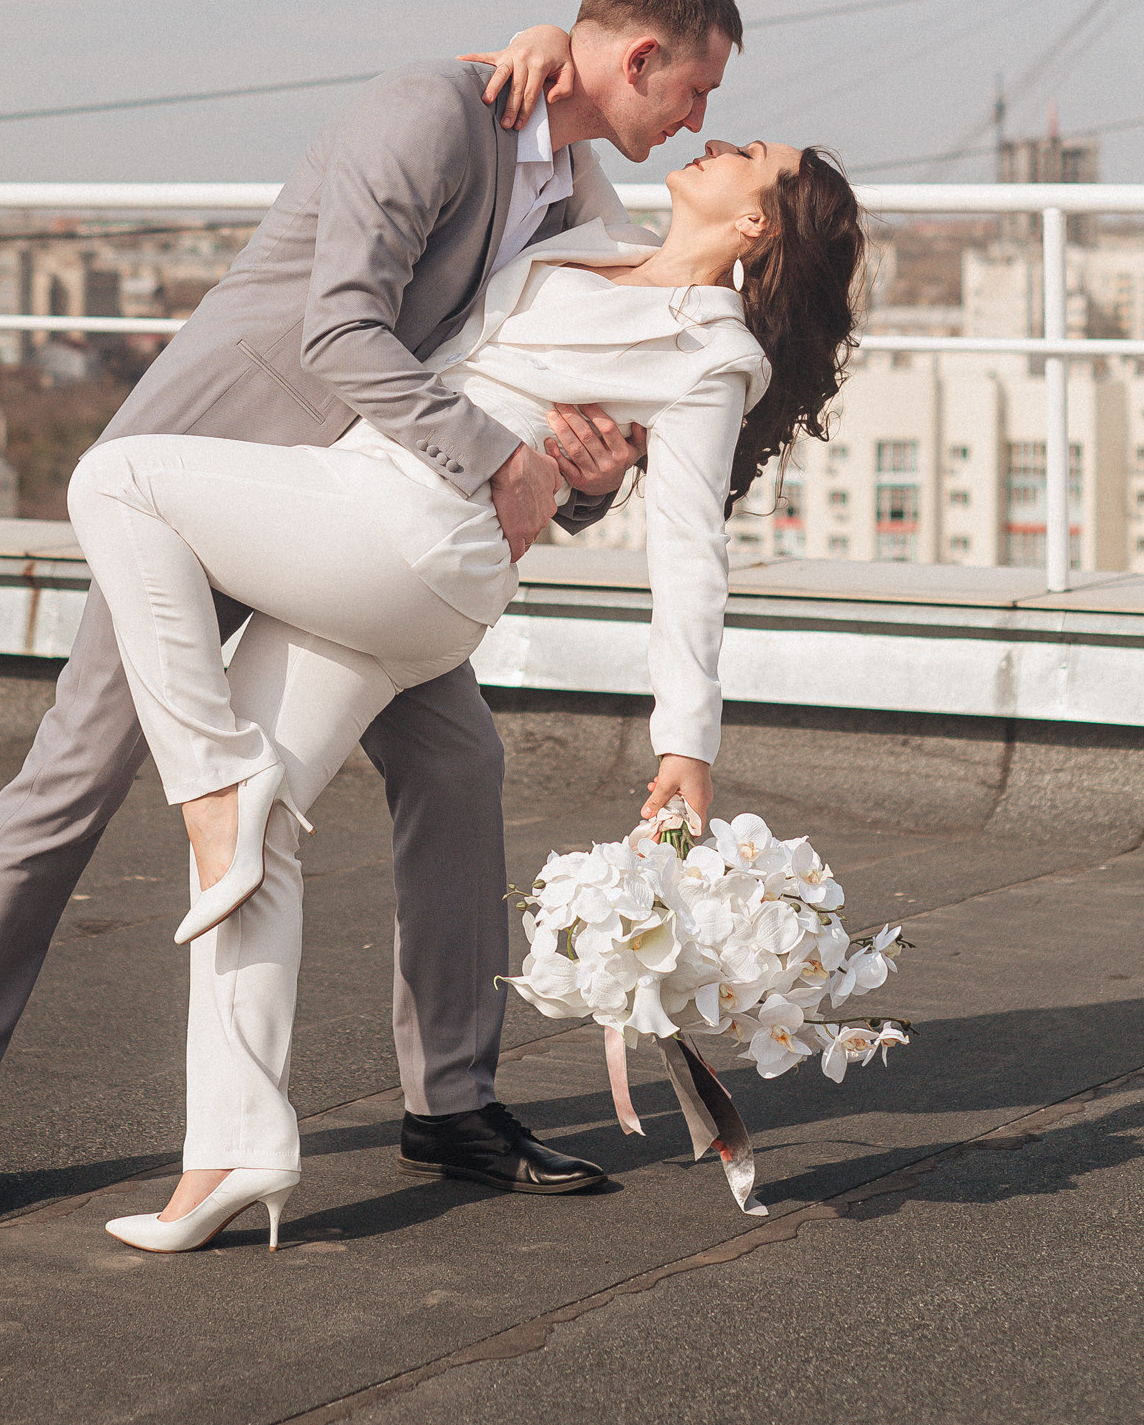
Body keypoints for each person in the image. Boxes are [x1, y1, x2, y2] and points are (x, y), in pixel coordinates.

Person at [0, 0, 744, 1242]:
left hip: (365, 520)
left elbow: (550, 404)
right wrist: (494, 460)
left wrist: (584, 477)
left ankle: (449, 1100)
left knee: (456, 765)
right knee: (76, 777)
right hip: (215, 477)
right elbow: (340, 331)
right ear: (638, 56)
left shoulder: (582, 205)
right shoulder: (431, 115)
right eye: (694, 89)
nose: (699, 120)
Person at [78, 132, 864, 1252]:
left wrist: (685, 743)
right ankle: (234, 1150)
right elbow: (565, 114)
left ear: (755, 225)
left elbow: (689, 551)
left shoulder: (711, 353)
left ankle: (208, 780)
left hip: (407, 538)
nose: (711, 139)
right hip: (366, 537)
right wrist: (534, 53)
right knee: (256, 845)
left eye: (746, 154)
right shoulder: (597, 242)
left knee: (116, 477)